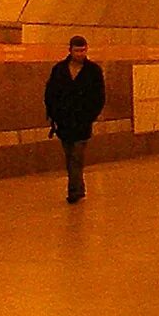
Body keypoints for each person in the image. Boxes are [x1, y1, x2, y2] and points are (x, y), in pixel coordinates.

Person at [44, 35, 104, 201]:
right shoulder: (59, 70)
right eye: (77, 50)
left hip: (82, 122)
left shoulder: (93, 71)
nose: (80, 54)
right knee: (70, 156)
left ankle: (74, 191)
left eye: (83, 50)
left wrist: (90, 116)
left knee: (77, 155)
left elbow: (99, 97)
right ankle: (78, 188)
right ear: (70, 50)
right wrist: (53, 115)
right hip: (63, 122)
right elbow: (50, 93)